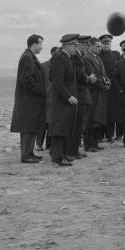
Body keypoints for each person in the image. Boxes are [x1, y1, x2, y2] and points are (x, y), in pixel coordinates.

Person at [10, 34, 47, 164]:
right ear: (34, 44)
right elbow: (27, 79)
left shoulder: (30, 56)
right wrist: (41, 92)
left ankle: (30, 153)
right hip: (29, 100)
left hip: (30, 100)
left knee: (31, 127)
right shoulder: (27, 57)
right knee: (28, 128)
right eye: (40, 44)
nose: (42, 47)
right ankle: (26, 156)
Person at [48, 34, 80, 166]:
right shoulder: (60, 58)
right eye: (75, 45)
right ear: (67, 45)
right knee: (60, 128)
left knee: (65, 128)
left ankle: (62, 154)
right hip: (62, 101)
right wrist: (68, 96)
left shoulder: (67, 58)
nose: (76, 48)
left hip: (66, 100)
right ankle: (58, 157)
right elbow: (57, 82)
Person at [68, 35, 96, 160]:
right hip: (79, 93)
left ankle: (75, 150)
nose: (88, 48)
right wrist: (88, 78)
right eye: (87, 45)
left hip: (81, 94)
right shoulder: (75, 57)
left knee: (79, 125)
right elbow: (79, 75)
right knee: (77, 125)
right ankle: (73, 151)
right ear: (80, 45)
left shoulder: (78, 56)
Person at [83, 37, 110, 151]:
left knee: (96, 119)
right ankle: (88, 145)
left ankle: (94, 143)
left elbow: (103, 75)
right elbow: (92, 75)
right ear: (91, 46)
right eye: (97, 46)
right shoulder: (86, 58)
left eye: (100, 46)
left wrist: (108, 82)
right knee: (90, 119)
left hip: (99, 93)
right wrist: (104, 86)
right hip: (92, 92)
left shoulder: (97, 58)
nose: (100, 48)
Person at [98, 34, 122, 143]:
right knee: (101, 111)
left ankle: (110, 135)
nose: (106, 45)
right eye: (104, 43)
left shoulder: (116, 54)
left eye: (108, 43)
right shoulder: (98, 55)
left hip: (113, 88)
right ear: (101, 44)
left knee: (112, 113)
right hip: (101, 87)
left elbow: (120, 70)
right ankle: (100, 135)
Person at [36, 46, 59, 151]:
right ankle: (39, 144)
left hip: (57, 99)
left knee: (52, 123)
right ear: (53, 54)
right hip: (45, 99)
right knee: (43, 123)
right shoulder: (43, 66)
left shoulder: (61, 65)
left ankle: (50, 145)